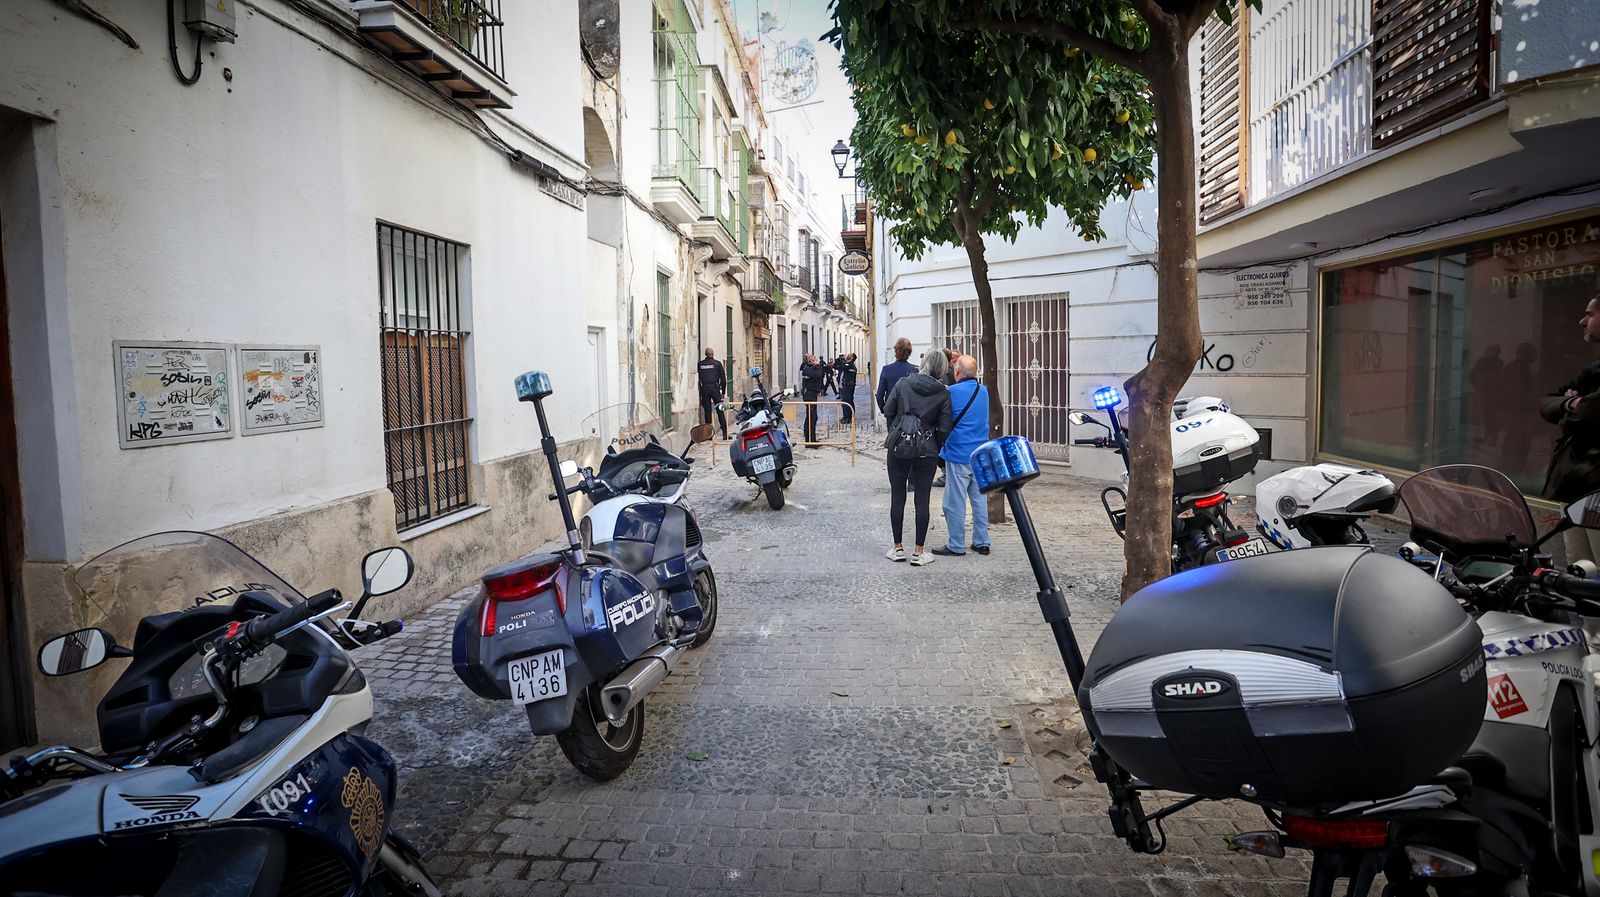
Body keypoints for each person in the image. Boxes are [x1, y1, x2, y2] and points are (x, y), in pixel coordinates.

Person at [1542, 291, 1600, 565]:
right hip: (1575, 486)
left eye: (1590, 314)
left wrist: (1571, 408)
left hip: (1594, 487)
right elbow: (1548, 403)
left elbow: (1585, 415)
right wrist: (1571, 405)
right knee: (1580, 566)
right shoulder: (1593, 371)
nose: (1582, 321)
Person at [882, 350, 953, 566]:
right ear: (942, 369)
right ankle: (919, 551)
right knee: (922, 498)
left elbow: (888, 409)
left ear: (922, 363)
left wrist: (898, 427)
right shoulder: (944, 394)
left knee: (898, 494)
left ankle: (897, 548)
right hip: (927, 451)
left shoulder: (903, 383)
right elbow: (944, 428)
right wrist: (933, 444)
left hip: (899, 446)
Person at [933, 355, 991, 557]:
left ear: (957, 372)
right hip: (980, 455)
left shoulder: (950, 392)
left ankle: (956, 544)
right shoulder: (983, 391)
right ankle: (982, 542)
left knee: (954, 502)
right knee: (979, 501)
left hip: (958, 454)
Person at [932, 346, 959, 487]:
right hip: (951, 412)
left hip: (945, 414)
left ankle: (946, 475)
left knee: (940, 446)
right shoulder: (953, 371)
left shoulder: (944, 373)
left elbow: (943, 391)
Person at [876, 338, 916, 413]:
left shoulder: (887, 369)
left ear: (895, 351)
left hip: (892, 411)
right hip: (910, 411)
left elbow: (879, 396)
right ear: (909, 352)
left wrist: (884, 410)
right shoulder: (915, 370)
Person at [697, 348, 728, 439]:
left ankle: (709, 435)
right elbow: (723, 379)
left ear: (705, 354)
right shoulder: (717, 364)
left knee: (707, 411)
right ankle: (725, 433)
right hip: (715, 388)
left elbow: (699, 377)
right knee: (720, 409)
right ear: (713, 353)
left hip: (704, 389)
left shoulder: (700, 364)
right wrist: (723, 392)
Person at [799, 353, 828, 444]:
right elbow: (818, 375)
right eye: (812, 357)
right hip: (809, 394)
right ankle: (810, 440)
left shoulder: (812, 367)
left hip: (812, 393)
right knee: (811, 417)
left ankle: (811, 438)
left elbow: (821, 373)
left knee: (812, 417)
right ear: (809, 360)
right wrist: (818, 365)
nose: (815, 358)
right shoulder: (807, 369)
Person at [834, 353, 859, 425]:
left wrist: (842, 360)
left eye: (850, 355)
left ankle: (847, 418)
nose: (848, 355)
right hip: (843, 386)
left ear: (852, 358)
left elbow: (842, 367)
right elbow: (837, 367)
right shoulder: (846, 365)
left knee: (846, 402)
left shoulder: (850, 365)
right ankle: (848, 416)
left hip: (848, 387)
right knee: (846, 402)